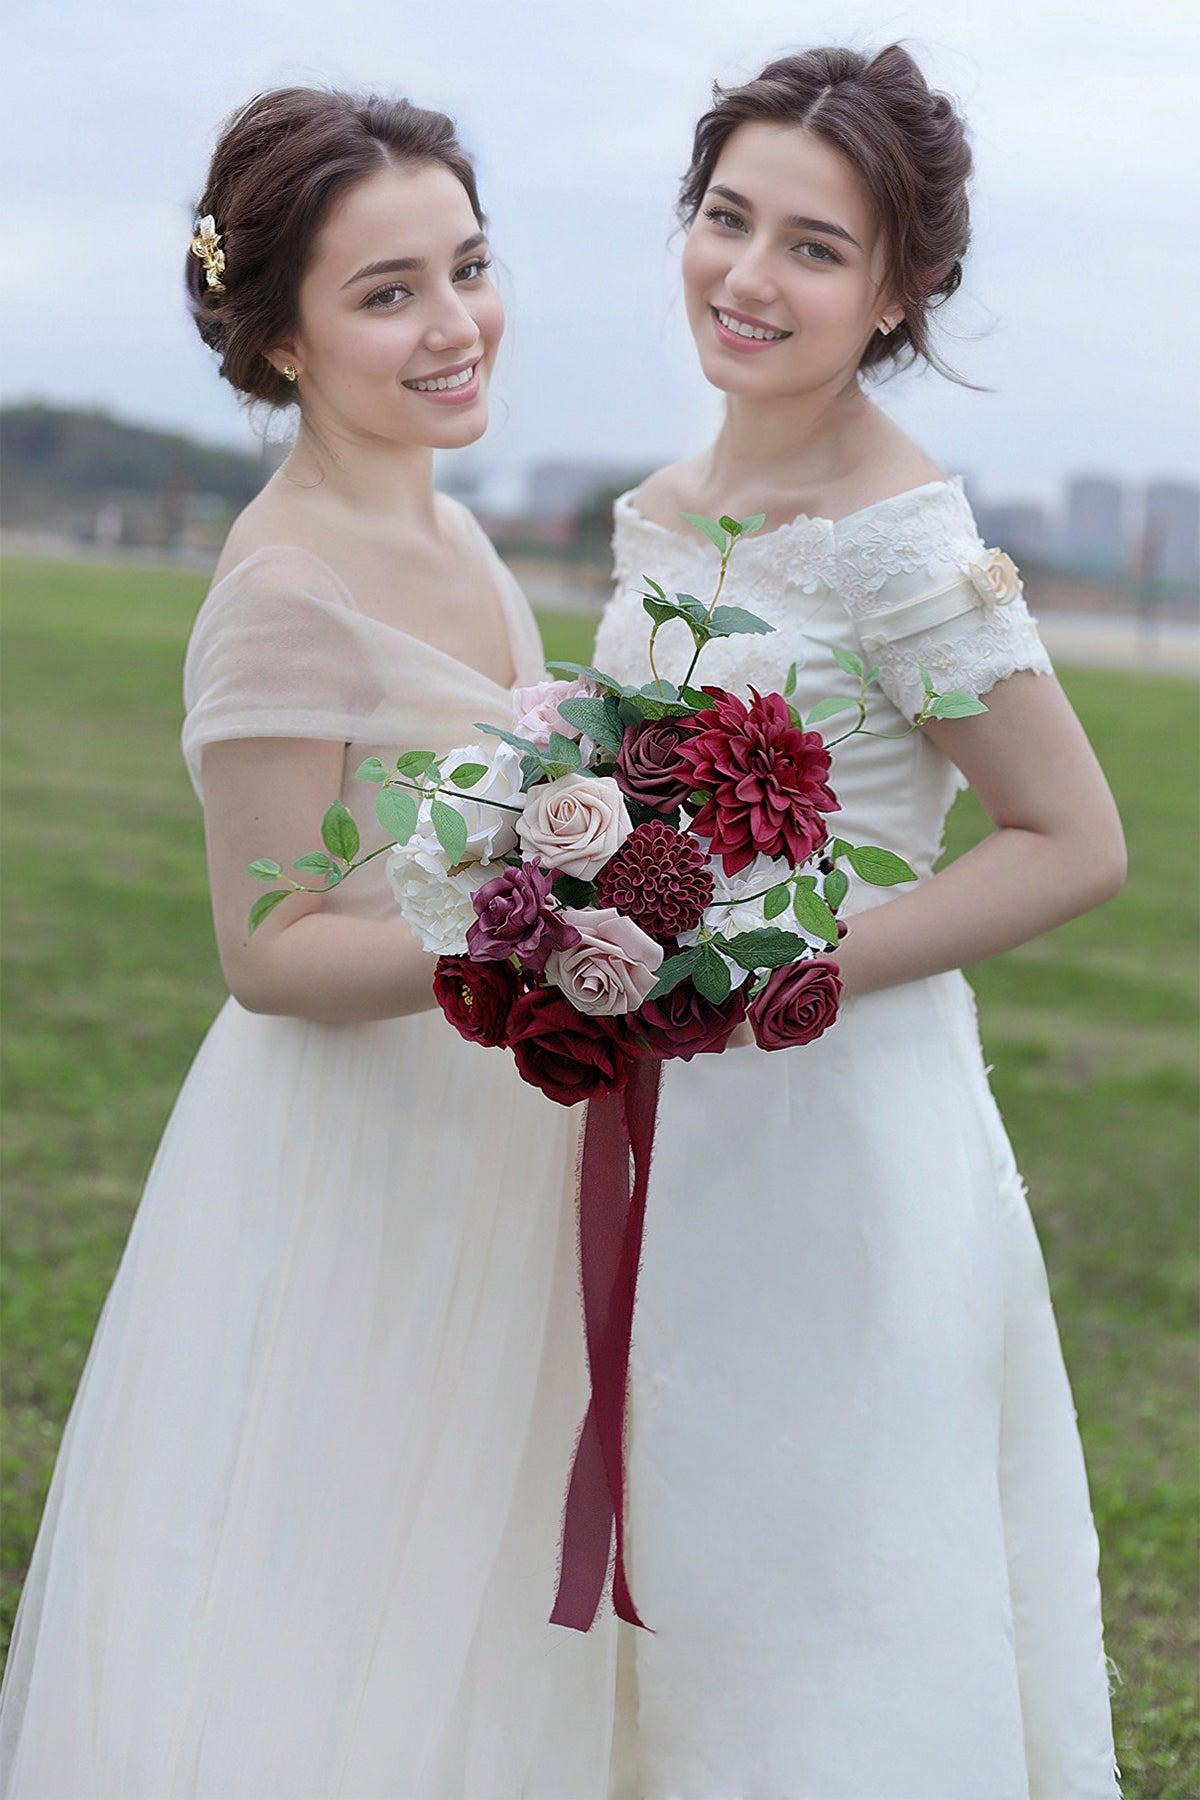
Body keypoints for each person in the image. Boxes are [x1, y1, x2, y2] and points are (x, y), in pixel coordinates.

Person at [0, 87, 622, 1797]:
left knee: (466, 1550)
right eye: (389, 292)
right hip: (352, 1147)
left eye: (470, 266)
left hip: (494, 1126)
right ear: (279, 338)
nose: (455, 324)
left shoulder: (461, 527)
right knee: (330, 1549)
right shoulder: (283, 586)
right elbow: (268, 946)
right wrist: (523, 943)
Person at [594, 44, 1127, 1798]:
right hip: (656, 1104)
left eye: (813, 249)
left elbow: (1069, 836)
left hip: (838, 1119)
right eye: (728, 218)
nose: (748, 277)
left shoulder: (901, 537)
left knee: (825, 1569)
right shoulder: (668, 504)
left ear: (899, 288)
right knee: (677, 1538)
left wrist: (771, 979)